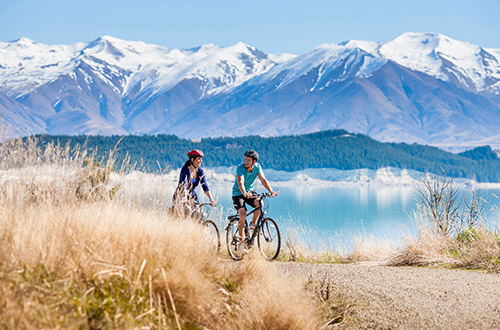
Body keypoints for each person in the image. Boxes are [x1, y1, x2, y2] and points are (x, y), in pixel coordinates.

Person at [232, 150, 278, 252]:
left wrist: (271, 191)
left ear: (254, 161)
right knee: (243, 215)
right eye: (245, 159)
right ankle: (241, 243)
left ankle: (253, 224)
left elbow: (263, 180)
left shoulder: (257, 167)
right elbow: (240, 182)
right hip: (238, 194)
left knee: (260, 203)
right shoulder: (240, 168)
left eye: (248, 160)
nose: (246, 162)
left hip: (250, 192)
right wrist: (244, 193)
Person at [172, 149, 217, 217]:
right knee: (188, 210)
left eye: (201, 159)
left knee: (201, 215)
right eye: (199, 159)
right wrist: (185, 198)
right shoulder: (185, 170)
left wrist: (211, 199)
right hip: (181, 196)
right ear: (192, 159)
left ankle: (198, 227)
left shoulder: (200, 171)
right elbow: (184, 185)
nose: (201, 161)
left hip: (193, 197)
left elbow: (205, 187)